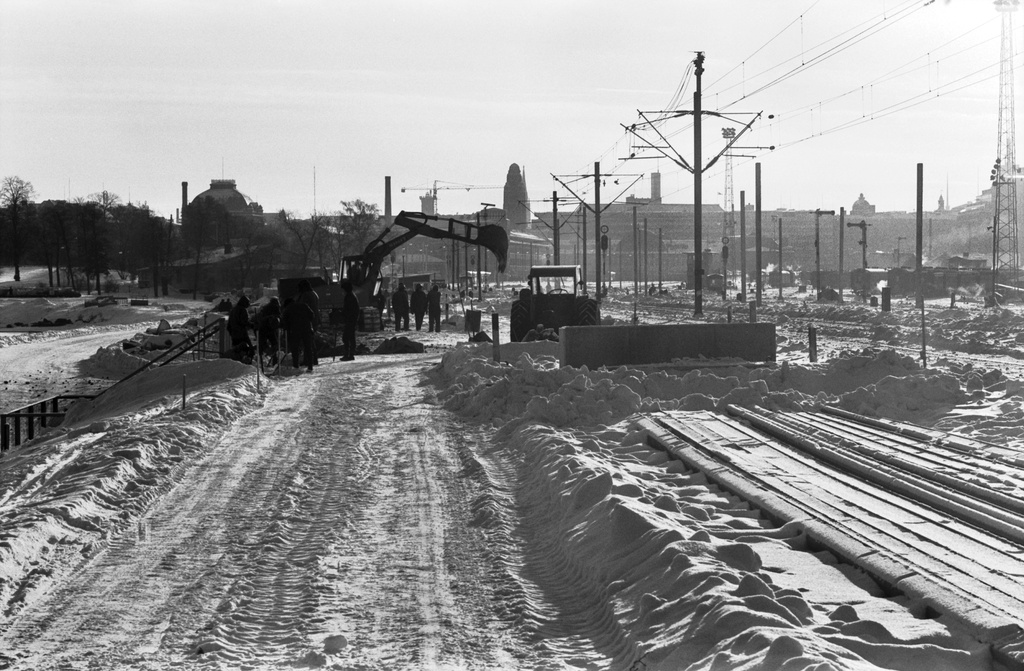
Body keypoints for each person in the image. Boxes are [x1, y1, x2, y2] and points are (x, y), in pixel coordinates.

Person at [281, 296, 316, 372]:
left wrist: (286, 332)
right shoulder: (304, 305)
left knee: (295, 349)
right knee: (308, 348)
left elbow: (285, 322)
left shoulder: (287, 309)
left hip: (295, 331)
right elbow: (312, 315)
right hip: (306, 329)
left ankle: (296, 366)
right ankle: (310, 366)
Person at [296, 279, 321, 366]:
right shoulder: (314, 294)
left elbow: (302, 308)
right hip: (314, 320)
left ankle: (309, 360)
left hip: (307, 321)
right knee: (310, 340)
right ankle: (313, 359)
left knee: (307, 341)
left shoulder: (306, 295)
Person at [227, 295, 254, 362]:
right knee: (249, 349)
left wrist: (232, 333)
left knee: (236, 351)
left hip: (234, 335)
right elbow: (244, 322)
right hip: (242, 335)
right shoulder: (243, 310)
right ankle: (246, 364)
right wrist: (252, 325)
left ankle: (237, 364)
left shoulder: (233, 310)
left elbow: (229, 325)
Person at [256, 297, 281, 366]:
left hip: (262, 327)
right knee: (275, 343)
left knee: (262, 343)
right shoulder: (276, 307)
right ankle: (274, 358)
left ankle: (261, 360)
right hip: (271, 328)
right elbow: (279, 316)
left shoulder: (265, 307)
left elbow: (259, 317)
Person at [340, 280, 360, 361]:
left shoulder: (350, 297)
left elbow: (349, 310)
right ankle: (350, 354)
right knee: (350, 337)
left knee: (347, 337)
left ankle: (348, 354)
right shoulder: (351, 296)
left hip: (350, 320)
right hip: (351, 320)